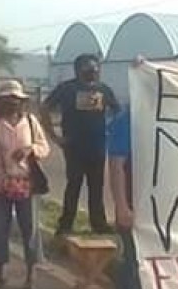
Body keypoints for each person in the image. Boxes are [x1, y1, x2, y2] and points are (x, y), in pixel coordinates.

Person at [107, 102, 171, 289]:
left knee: (152, 266)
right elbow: (116, 165)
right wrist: (121, 205)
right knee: (130, 268)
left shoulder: (166, 118)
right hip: (134, 207)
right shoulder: (128, 120)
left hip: (159, 209)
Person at [41, 53, 120, 235]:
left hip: (97, 147)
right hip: (74, 148)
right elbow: (45, 108)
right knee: (73, 185)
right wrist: (54, 137)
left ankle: (98, 224)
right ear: (79, 70)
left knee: (96, 187)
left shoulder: (103, 90)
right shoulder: (67, 89)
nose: (94, 72)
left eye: (96, 69)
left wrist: (110, 129)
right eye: (89, 69)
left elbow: (117, 111)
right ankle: (66, 225)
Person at [0, 80, 50, 289]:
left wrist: (30, 149)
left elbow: (45, 147)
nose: (13, 103)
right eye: (8, 99)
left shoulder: (31, 122)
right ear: (1, 102)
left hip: (27, 184)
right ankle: (1, 272)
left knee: (29, 229)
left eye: (16, 99)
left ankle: (31, 273)